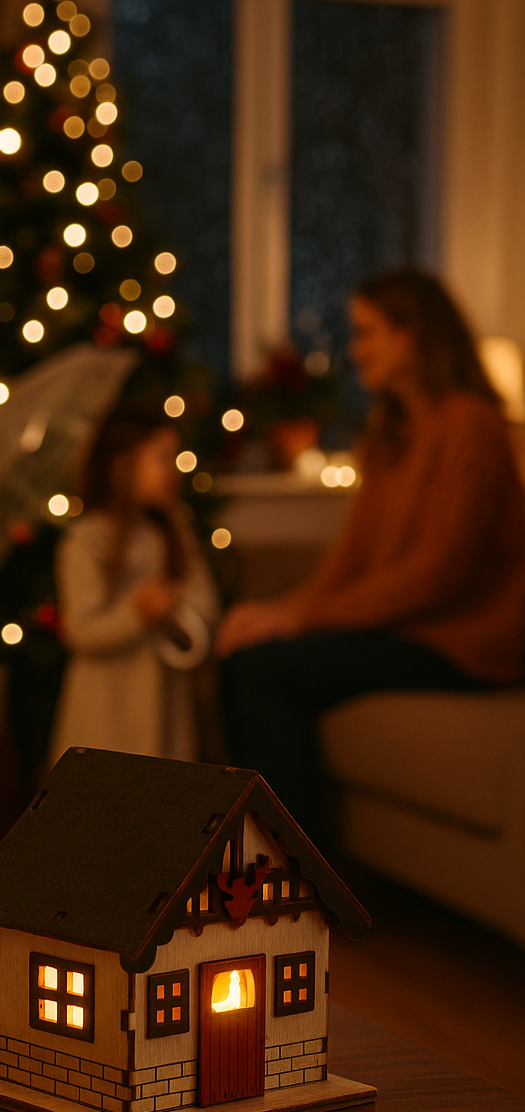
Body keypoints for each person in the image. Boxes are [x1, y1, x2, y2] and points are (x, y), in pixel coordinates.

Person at [217, 267, 525, 842]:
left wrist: (299, 619)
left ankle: (294, 886)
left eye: (366, 333)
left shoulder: (472, 428)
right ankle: (264, 861)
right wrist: (281, 612)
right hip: (410, 630)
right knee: (247, 647)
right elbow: (350, 561)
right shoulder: (389, 432)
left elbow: (436, 576)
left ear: (411, 336)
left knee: (263, 671)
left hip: (464, 643)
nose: (354, 351)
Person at [50, 407, 219, 762]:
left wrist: (175, 607)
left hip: (165, 711)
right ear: (123, 463)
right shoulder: (84, 543)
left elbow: (206, 606)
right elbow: (81, 631)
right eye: (162, 458)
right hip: (104, 719)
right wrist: (136, 612)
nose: (173, 470)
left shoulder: (172, 533)